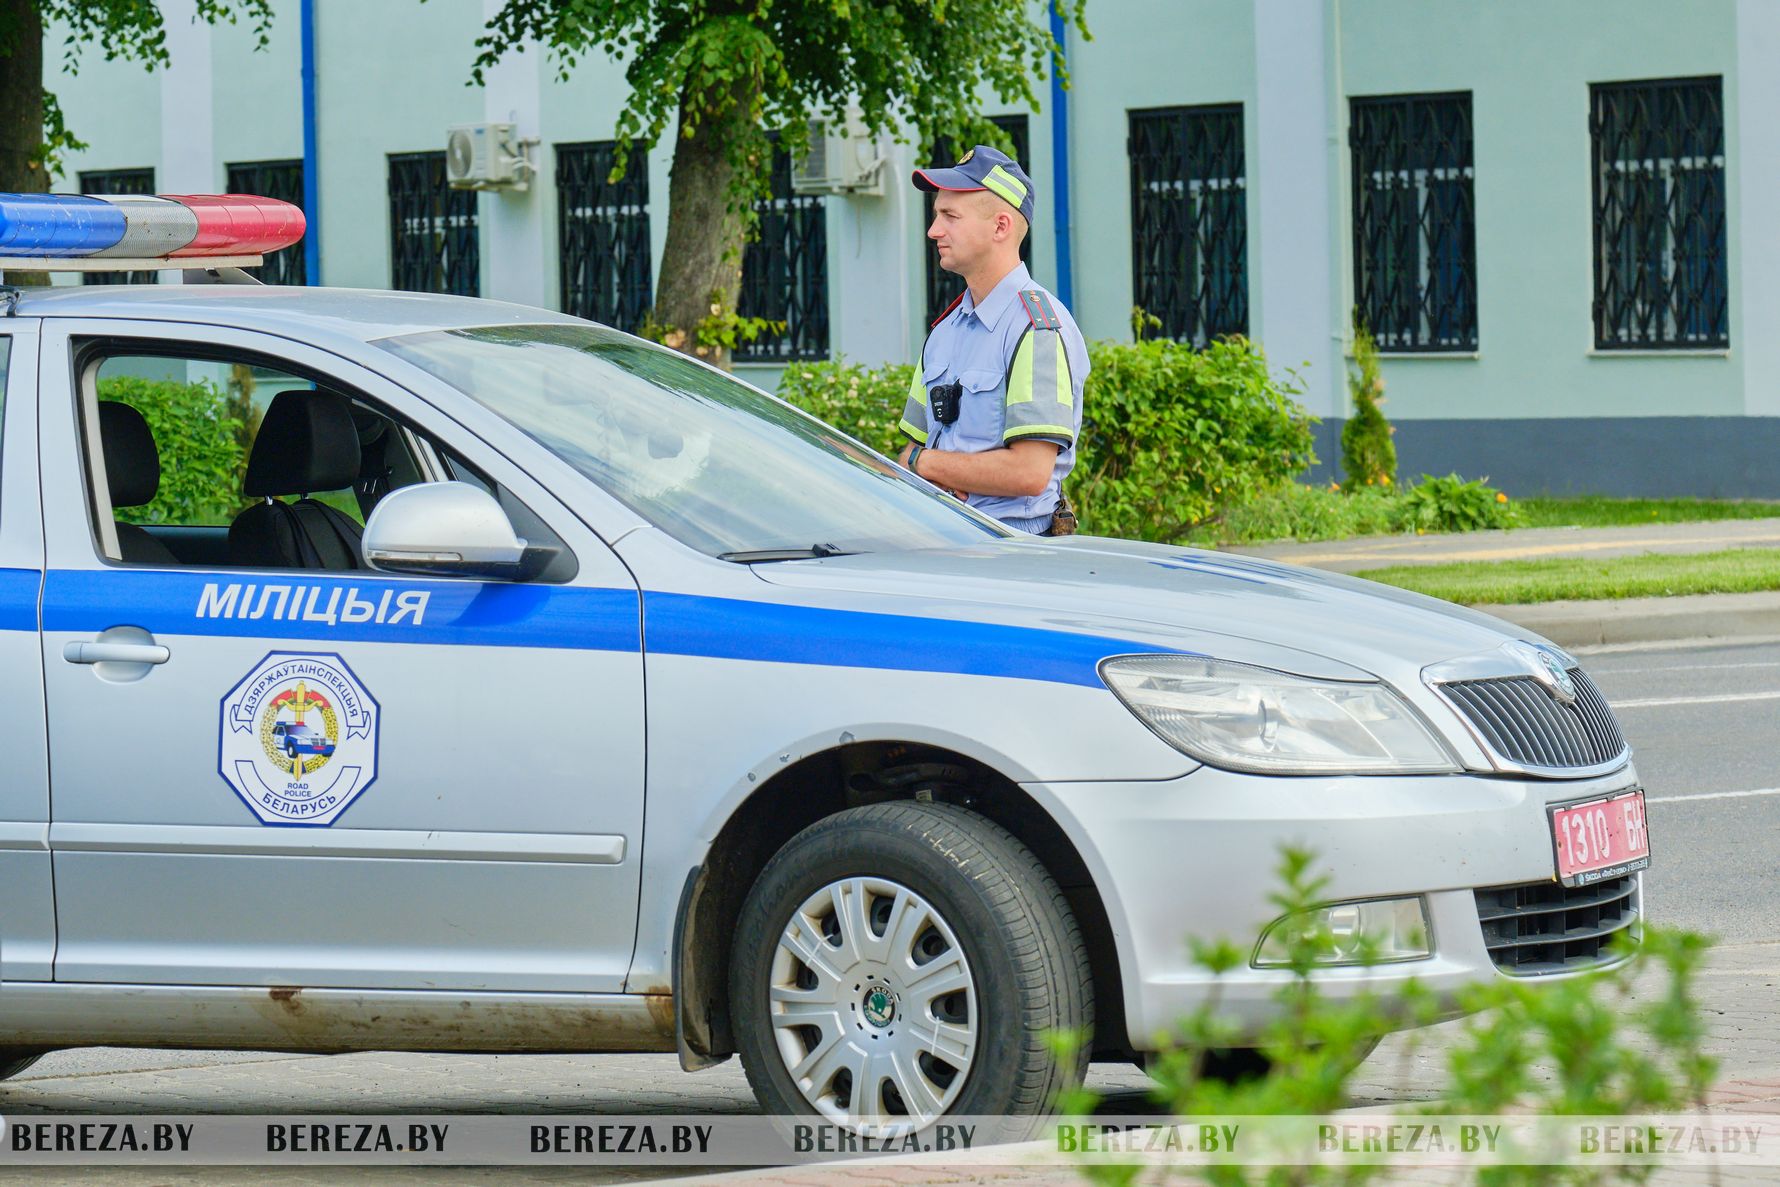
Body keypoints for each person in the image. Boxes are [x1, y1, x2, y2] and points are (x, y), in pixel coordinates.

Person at [897, 143, 1088, 535]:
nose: (933, 230)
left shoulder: (1035, 329)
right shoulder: (944, 330)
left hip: (1010, 552)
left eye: (949, 216)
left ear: (1000, 226)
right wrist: (921, 461)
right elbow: (908, 451)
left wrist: (929, 464)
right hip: (943, 540)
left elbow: (1029, 472)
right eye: (936, 216)